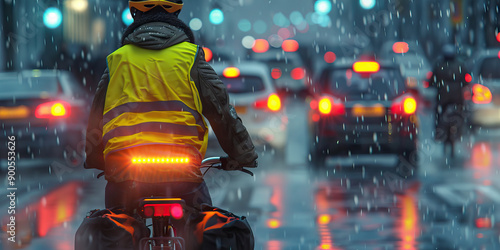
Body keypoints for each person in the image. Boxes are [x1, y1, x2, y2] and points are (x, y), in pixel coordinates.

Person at [84, 0, 258, 211]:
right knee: (202, 231)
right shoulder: (191, 58)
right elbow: (221, 110)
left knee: (115, 228)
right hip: (181, 171)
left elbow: (96, 117)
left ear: (134, 13)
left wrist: (96, 158)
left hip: (125, 169)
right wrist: (242, 155)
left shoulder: (117, 60)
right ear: (176, 14)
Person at [430, 44, 469, 141]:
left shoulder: (439, 65)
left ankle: (438, 132)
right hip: (457, 97)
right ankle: (459, 131)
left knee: (438, 113)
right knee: (460, 112)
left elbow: (432, 80)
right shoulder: (460, 65)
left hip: (443, 97)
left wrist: (432, 84)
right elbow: (466, 81)